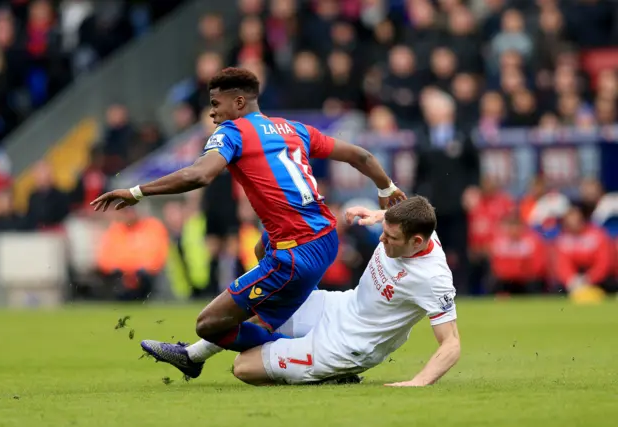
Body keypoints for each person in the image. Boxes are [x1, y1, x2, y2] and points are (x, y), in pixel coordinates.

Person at [91, 67, 405, 379]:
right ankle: (194, 355)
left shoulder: (233, 132)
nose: (212, 112)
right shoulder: (293, 128)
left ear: (239, 103)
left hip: (297, 254)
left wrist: (137, 191)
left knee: (210, 325)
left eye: (216, 104)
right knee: (260, 256)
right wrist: (386, 188)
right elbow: (361, 156)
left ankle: (321, 360)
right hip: (324, 237)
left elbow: (199, 174)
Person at [146, 196, 460, 386]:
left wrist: (418, 382)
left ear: (417, 242)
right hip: (339, 306)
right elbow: (399, 215)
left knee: (244, 367)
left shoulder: (432, 277)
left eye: (390, 237)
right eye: (384, 231)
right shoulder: (408, 227)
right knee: (269, 304)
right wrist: (377, 215)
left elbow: (451, 344)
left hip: (348, 345)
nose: (381, 240)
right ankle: (192, 356)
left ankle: (330, 371)